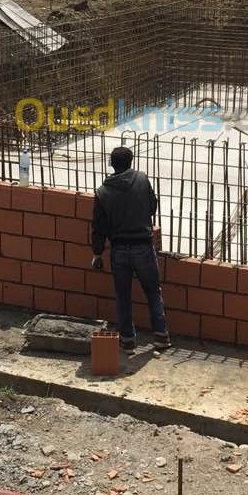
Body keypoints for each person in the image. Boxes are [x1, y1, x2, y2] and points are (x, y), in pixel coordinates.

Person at [90, 146, 169, 352]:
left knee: (123, 296)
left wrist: (97, 253)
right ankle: (161, 336)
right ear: (131, 162)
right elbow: (152, 206)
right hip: (143, 246)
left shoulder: (102, 192)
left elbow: (99, 227)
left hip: (119, 250)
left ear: (111, 164)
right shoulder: (142, 179)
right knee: (153, 292)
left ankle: (127, 341)